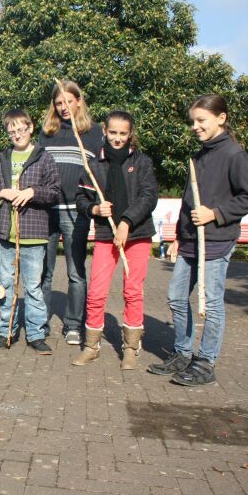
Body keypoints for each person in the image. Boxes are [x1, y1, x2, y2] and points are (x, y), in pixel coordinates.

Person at [148, 94, 248, 385]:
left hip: (218, 239)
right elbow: (189, 202)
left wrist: (216, 213)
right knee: (175, 296)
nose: (195, 126)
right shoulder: (197, 157)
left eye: (201, 120)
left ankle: (206, 362)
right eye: (193, 122)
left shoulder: (234, 155)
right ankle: (183, 353)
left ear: (221, 118)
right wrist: (177, 237)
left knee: (210, 303)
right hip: (189, 242)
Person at [74, 111, 158, 369]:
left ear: (130, 134)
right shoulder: (93, 163)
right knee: (97, 291)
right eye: (113, 133)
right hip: (104, 235)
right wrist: (95, 210)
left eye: (123, 133)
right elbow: (81, 199)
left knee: (132, 291)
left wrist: (126, 222)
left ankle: (131, 347)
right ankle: (91, 346)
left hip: (137, 234)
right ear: (105, 132)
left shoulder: (142, 161)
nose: (118, 138)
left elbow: (148, 197)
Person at [0, 109, 60, 354]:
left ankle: (36, 334)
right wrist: (2, 193)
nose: (17, 134)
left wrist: (32, 192)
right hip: (5, 234)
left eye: (21, 129)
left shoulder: (43, 157)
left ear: (30, 127)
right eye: (12, 131)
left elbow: (55, 191)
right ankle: (7, 331)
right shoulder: (1, 159)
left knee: (33, 288)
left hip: (34, 234)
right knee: (5, 285)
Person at [38, 81, 104, 346]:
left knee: (76, 272)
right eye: (58, 103)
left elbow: (100, 171)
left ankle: (74, 325)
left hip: (76, 212)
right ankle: (39, 322)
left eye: (68, 101)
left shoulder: (94, 132)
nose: (64, 107)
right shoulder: (47, 132)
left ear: (79, 101)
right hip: (47, 210)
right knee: (45, 272)